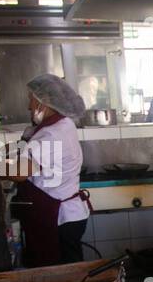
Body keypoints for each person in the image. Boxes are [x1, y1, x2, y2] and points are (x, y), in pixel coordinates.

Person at [6, 74, 90, 266]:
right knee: (67, 270)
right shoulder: (60, 125)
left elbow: (19, 172)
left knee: (63, 274)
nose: (29, 107)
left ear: (43, 103)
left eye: (31, 101)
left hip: (59, 218)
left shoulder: (53, 133)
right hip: (59, 214)